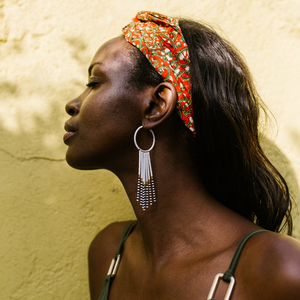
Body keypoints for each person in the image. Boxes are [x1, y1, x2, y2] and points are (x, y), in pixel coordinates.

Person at [63, 11, 300, 300]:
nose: (73, 104)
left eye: (94, 83)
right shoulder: (110, 254)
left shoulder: (278, 268)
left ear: (156, 106)